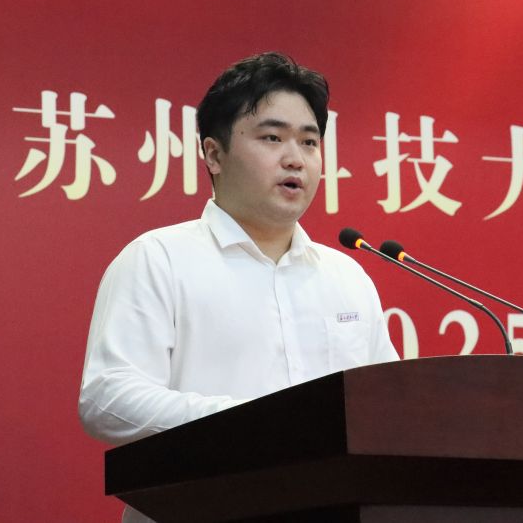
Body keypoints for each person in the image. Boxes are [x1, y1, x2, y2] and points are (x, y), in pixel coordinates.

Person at [79, 51, 399, 460]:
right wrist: (251, 420)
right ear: (214, 155)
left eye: (309, 142)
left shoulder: (346, 276)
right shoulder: (158, 260)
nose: (295, 159)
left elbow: (387, 404)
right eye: (272, 138)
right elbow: (109, 397)